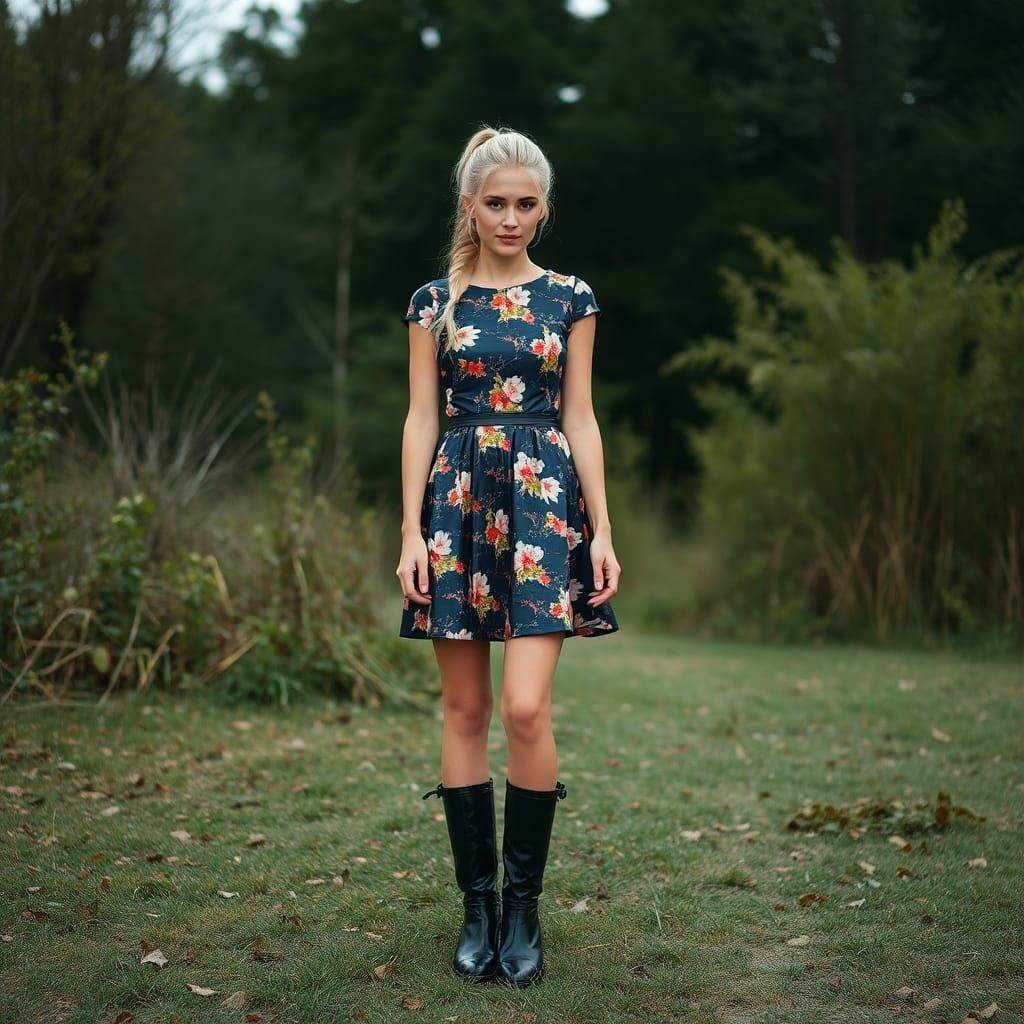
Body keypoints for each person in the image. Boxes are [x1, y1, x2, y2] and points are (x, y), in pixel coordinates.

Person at [395, 125, 622, 987]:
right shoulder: (432, 303)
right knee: (463, 713)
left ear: (544, 207)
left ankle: (524, 909)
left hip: (542, 505)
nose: (512, 218)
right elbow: (420, 417)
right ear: (469, 205)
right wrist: (410, 530)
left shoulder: (571, 297)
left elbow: (582, 418)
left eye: (527, 203)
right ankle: (477, 907)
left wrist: (601, 529)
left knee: (524, 710)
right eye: (496, 202)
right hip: (454, 501)